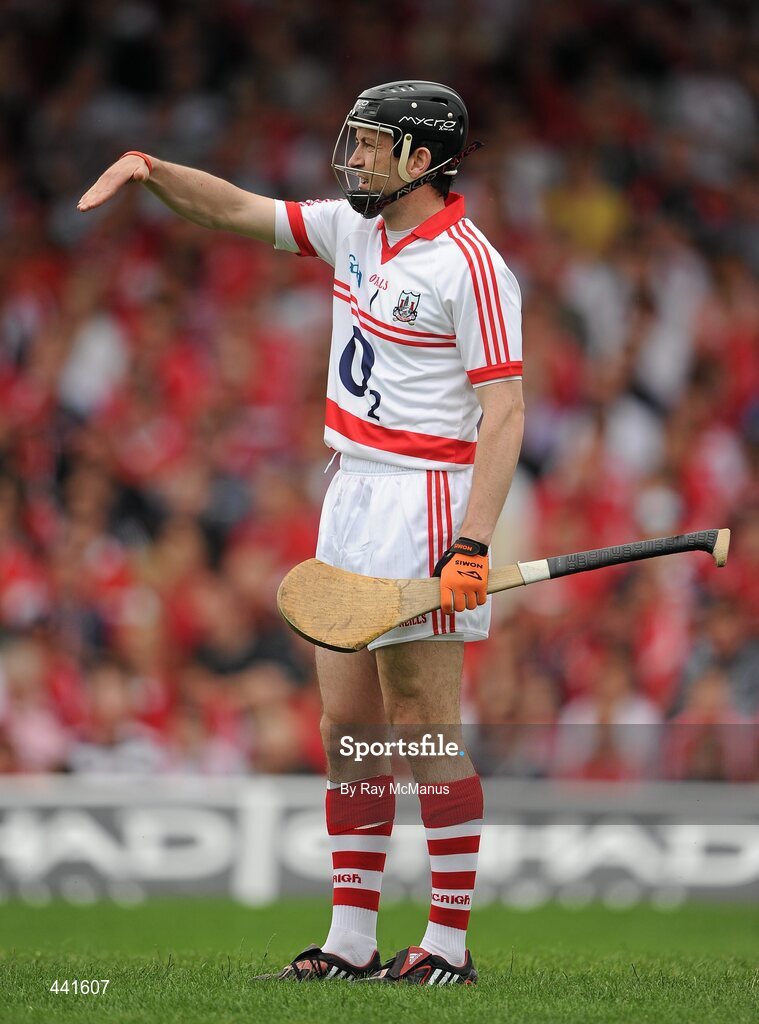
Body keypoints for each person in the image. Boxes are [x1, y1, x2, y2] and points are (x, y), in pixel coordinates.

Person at [79, 80, 524, 986]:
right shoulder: (352, 229)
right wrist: (151, 170)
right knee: (348, 727)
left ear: (419, 159)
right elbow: (235, 210)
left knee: (421, 729)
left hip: (425, 498)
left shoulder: (472, 267)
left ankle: (447, 943)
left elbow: (505, 411)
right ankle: (351, 939)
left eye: (369, 144)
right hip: (349, 491)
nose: (352, 158)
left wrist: (472, 541)